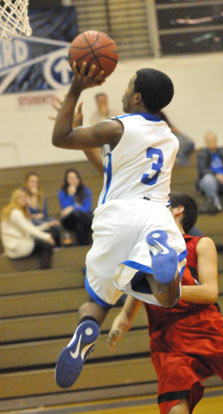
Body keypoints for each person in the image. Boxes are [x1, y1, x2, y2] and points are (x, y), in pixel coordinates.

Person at [52, 63, 187, 389]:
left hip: (115, 217)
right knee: (167, 297)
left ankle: (86, 330)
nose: (124, 92)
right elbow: (114, 171)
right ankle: (158, 251)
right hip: (156, 216)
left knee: (97, 303)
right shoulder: (169, 138)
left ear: (137, 97)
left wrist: (74, 90)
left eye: (128, 86)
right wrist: (89, 143)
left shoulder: (117, 127)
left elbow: (60, 137)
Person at [108, 193, 223, 414]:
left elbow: (209, 292)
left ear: (178, 210)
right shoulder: (144, 256)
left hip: (206, 326)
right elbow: (131, 307)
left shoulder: (201, 244)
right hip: (168, 338)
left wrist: (169, 292)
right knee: (175, 409)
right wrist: (119, 324)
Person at [0, 187, 55, 269]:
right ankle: (44, 273)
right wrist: (47, 237)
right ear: (15, 199)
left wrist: (46, 225)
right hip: (17, 247)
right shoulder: (15, 212)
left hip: (16, 245)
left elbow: (30, 228)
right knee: (48, 245)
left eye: (24, 197)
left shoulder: (16, 211)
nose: (23, 199)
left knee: (46, 239)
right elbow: (29, 229)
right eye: (20, 197)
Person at [24, 172, 61, 246]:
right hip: (30, 220)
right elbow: (28, 212)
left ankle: (58, 245)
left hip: (42, 218)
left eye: (36, 182)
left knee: (55, 223)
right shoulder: (23, 195)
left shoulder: (41, 194)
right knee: (41, 223)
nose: (34, 184)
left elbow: (44, 211)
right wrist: (34, 196)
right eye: (32, 181)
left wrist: (40, 215)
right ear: (27, 183)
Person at [58, 168, 93, 246]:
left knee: (80, 225)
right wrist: (70, 195)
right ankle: (93, 224)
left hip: (83, 218)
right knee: (75, 214)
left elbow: (87, 208)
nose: (74, 180)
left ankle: (83, 247)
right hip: (69, 220)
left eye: (75, 178)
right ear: (67, 181)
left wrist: (73, 208)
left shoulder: (85, 190)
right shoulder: (62, 192)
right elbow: (66, 211)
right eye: (71, 178)